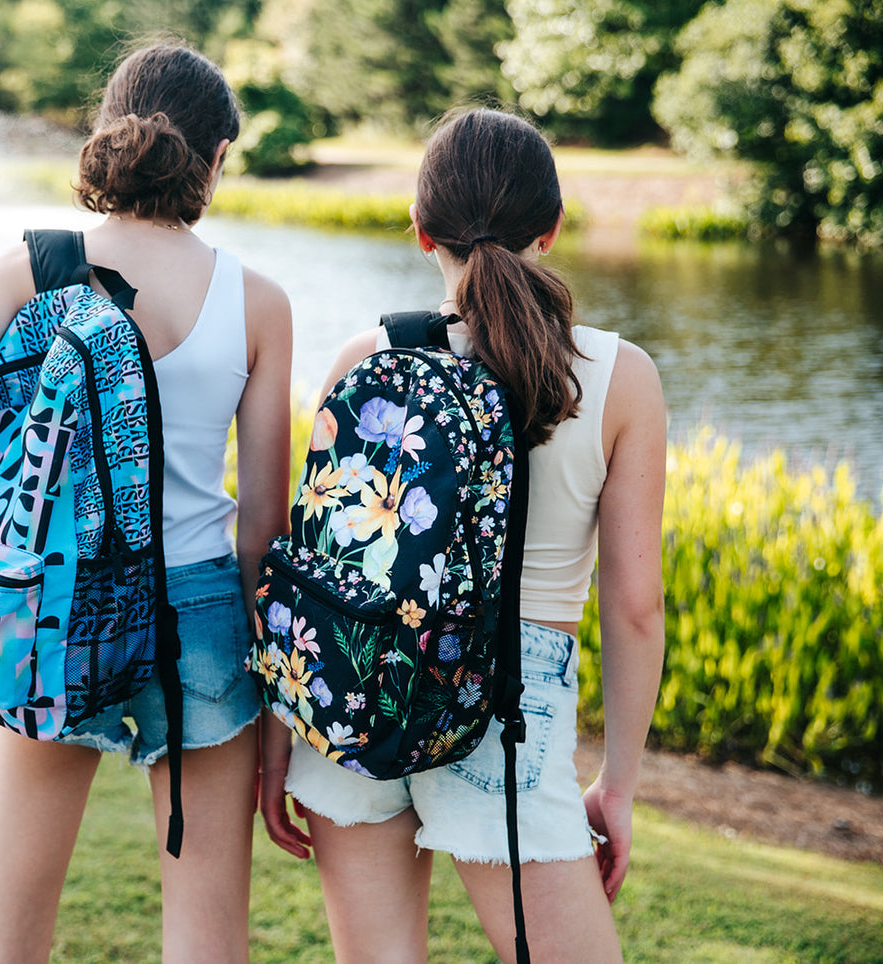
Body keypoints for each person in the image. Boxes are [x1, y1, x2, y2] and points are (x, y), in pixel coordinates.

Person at [0, 43, 292, 964]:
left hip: (51, 603)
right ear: (214, 161)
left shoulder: (36, 269)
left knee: (3, 942)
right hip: (203, 618)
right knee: (208, 942)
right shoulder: (258, 302)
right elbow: (262, 527)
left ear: (106, 136)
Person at [257, 106, 667, 963]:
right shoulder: (618, 377)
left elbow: (307, 571)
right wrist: (617, 784)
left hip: (359, 686)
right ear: (550, 231)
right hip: (511, 706)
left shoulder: (364, 357)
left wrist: (281, 739)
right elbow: (635, 604)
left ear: (418, 230)